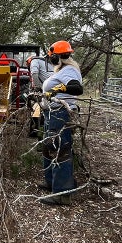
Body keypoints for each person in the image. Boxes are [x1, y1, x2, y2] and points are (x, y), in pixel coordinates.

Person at [39, 40, 84, 205]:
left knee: (61, 149)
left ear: (58, 56)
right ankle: (51, 182)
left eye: (52, 57)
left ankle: (63, 193)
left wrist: (57, 89)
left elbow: (76, 88)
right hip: (52, 113)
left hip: (61, 114)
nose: (50, 59)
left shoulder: (69, 70)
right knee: (49, 146)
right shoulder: (62, 70)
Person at [27, 53, 54, 138]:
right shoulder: (47, 64)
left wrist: (37, 87)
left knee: (37, 107)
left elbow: (34, 74)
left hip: (48, 89)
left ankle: (36, 132)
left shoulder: (34, 61)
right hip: (57, 88)